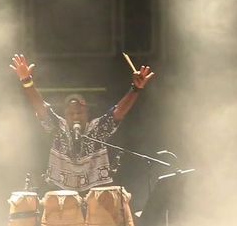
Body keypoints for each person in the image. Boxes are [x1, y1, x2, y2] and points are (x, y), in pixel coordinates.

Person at [9, 53, 155, 192]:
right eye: (71, 114)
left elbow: (118, 112)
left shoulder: (97, 128)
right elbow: (41, 108)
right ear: (65, 115)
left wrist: (136, 88)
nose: (75, 116)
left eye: (79, 113)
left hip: (95, 193)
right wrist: (26, 81)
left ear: (87, 113)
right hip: (60, 192)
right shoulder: (59, 127)